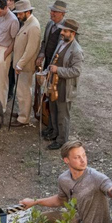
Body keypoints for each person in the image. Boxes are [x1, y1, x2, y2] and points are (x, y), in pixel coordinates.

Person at [19, 141, 112, 223]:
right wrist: (34, 201)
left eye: (84, 155)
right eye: (77, 157)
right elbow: (61, 200)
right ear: (66, 160)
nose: (83, 160)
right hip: (77, 222)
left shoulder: (97, 178)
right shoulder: (64, 179)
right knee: (38, 219)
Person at [44, 19, 84, 150]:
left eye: (65, 31)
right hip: (54, 83)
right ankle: (54, 132)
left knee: (63, 114)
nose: (62, 33)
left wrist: (58, 70)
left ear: (72, 33)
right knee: (53, 109)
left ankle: (62, 140)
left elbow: (76, 71)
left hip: (65, 86)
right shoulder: (61, 43)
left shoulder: (76, 50)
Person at [11, 0, 41, 127]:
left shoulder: (33, 26)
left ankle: (24, 118)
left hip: (25, 66)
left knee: (24, 91)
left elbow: (31, 49)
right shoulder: (27, 23)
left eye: (20, 13)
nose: (18, 16)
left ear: (27, 12)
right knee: (20, 91)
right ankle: (22, 112)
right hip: (20, 65)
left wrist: (20, 64)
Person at [37, 0, 68, 71]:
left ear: (62, 13)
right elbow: (44, 42)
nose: (51, 13)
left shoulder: (67, 29)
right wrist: (41, 55)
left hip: (58, 66)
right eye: (51, 10)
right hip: (47, 62)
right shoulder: (49, 24)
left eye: (54, 11)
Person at [6, 0, 22, 100]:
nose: (8, 2)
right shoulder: (7, 13)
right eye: (7, 0)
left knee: (11, 70)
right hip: (6, 44)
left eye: (11, 1)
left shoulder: (17, 16)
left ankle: (10, 91)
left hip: (14, 46)